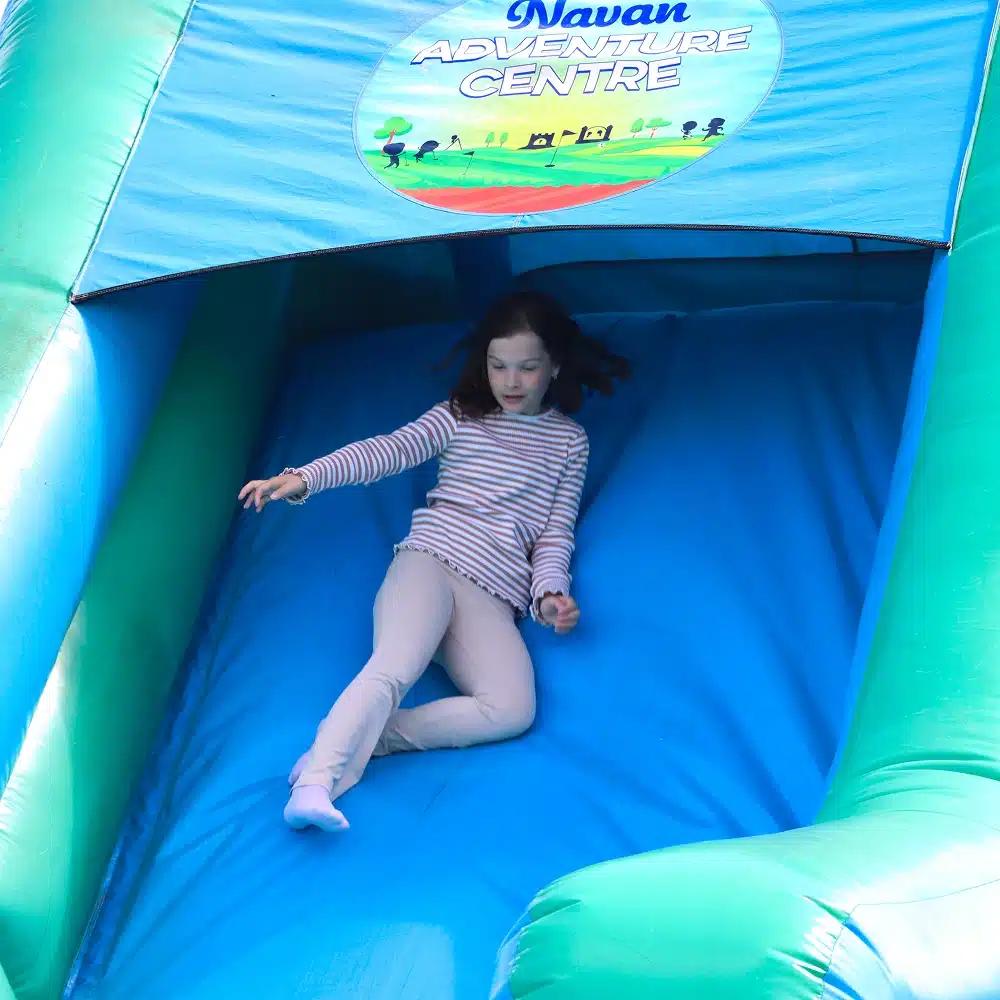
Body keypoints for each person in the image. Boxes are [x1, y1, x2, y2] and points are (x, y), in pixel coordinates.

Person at [238, 290, 630, 832]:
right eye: (498, 366)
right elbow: (387, 450)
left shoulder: (569, 442)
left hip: (492, 597)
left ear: (554, 367)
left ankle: (365, 740)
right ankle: (315, 784)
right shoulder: (459, 416)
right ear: (484, 364)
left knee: (512, 709)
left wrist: (549, 597)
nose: (511, 381)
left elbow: (554, 534)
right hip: (430, 562)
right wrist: (305, 476)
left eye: (527, 368)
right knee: (395, 664)